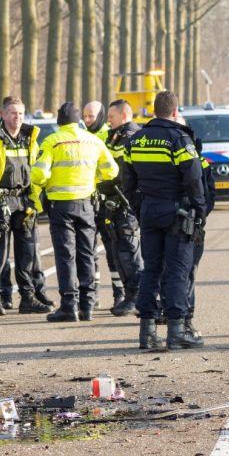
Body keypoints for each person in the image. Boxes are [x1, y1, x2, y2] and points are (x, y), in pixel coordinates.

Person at [122, 91, 205, 350]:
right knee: (178, 271)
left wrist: (140, 207)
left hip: (149, 210)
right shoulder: (179, 139)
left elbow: (127, 181)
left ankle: (147, 333)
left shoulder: (136, 140)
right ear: (175, 111)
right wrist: (200, 209)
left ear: (154, 110)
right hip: (177, 212)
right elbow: (194, 178)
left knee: (151, 270)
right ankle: (177, 331)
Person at [0, 97, 54, 316]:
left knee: (27, 254)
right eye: (13, 113)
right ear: (3, 114)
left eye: (21, 113)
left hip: (23, 202)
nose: (17, 117)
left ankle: (27, 297)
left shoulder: (30, 138)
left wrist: (34, 202)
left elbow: (35, 172)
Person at [33, 102, 119, 321]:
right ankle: (87, 306)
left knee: (66, 256)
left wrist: (49, 182)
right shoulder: (93, 141)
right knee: (87, 253)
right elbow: (112, 170)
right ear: (78, 120)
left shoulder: (52, 141)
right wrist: (93, 179)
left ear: (59, 121)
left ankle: (69, 306)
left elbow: (38, 175)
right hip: (86, 204)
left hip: (61, 206)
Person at [95, 100, 143, 316]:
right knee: (119, 252)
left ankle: (137, 296)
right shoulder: (114, 136)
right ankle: (130, 295)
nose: (108, 121)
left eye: (111, 117)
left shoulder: (131, 137)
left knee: (129, 252)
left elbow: (125, 174)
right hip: (114, 203)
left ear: (124, 116)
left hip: (126, 203)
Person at [178, 113, 216, 345]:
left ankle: (186, 319)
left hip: (192, 224)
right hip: (174, 221)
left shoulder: (200, 160)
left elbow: (209, 193)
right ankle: (176, 320)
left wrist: (199, 216)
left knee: (188, 272)